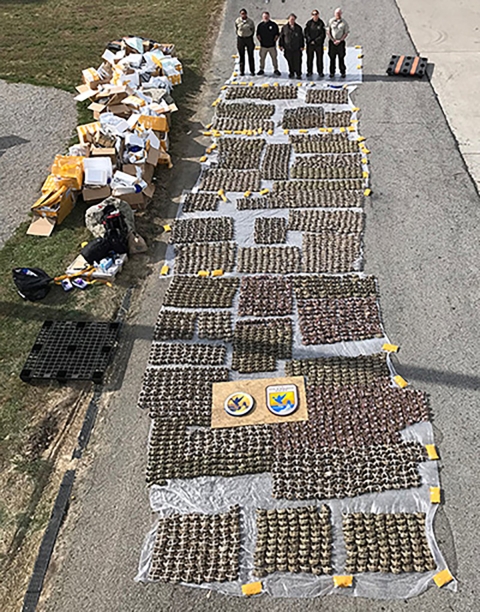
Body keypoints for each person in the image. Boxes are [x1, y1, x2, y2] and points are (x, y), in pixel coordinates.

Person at [279, 13, 305, 79]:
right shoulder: (284, 28)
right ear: (288, 19)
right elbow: (281, 37)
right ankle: (291, 72)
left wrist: (302, 46)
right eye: (291, 19)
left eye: (293, 19)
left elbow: (301, 37)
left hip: (297, 48)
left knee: (298, 61)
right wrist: (280, 45)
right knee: (290, 61)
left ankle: (298, 73)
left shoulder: (298, 28)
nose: (292, 21)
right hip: (288, 48)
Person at [256, 11, 281, 76]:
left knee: (274, 58)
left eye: (267, 16)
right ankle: (261, 69)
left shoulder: (273, 24)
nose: (265, 18)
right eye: (264, 17)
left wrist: (274, 41)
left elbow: (277, 34)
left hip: (272, 46)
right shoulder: (260, 25)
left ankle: (276, 69)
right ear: (262, 17)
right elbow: (258, 35)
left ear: (269, 17)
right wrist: (261, 42)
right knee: (262, 58)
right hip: (263, 46)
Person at [327, 7, 349, 78]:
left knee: (341, 58)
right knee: (332, 58)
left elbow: (345, 33)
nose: (338, 14)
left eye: (339, 13)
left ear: (341, 14)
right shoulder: (331, 21)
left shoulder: (344, 23)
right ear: (334, 14)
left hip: (340, 43)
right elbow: (328, 31)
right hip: (332, 42)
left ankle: (342, 72)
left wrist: (340, 40)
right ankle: (332, 72)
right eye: (337, 13)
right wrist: (333, 40)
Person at [304, 9, 326, 78]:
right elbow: (306, 33)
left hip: (318, 45)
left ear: (318, 15)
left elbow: (323, 35)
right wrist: (310, 40)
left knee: (319, 59)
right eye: (313, 14)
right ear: (311, 15)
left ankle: (320, 72)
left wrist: (316, 41)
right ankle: (309, 71)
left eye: (316, 14)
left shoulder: (321, 23)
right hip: (310, 44)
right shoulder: (309, 23)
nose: (315, 15)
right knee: (309, 59)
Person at [235, 8, 255, 76]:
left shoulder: (250, 21)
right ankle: (242, 71)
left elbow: (253, 30)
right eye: (241, 14)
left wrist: (249, 35)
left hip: (249, 39)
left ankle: (252, 71)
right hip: (241, 39)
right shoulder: (238, 21)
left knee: (250, 55)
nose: (243, 15)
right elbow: (236, 29)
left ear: (246, 14)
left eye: (244, 13)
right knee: (241, 56)